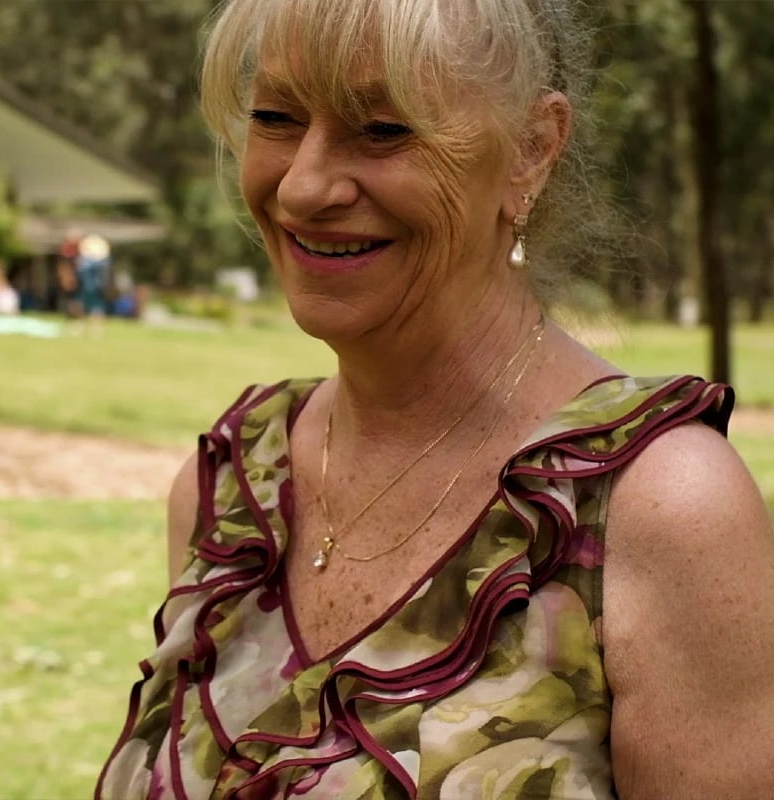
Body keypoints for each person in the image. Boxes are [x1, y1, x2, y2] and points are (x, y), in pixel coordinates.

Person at [96, 0, 774, 798]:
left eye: (382, 130)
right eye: (276, 116)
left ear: (532, 148)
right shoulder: (232, 487)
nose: (306, 185)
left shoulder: (654, 507)